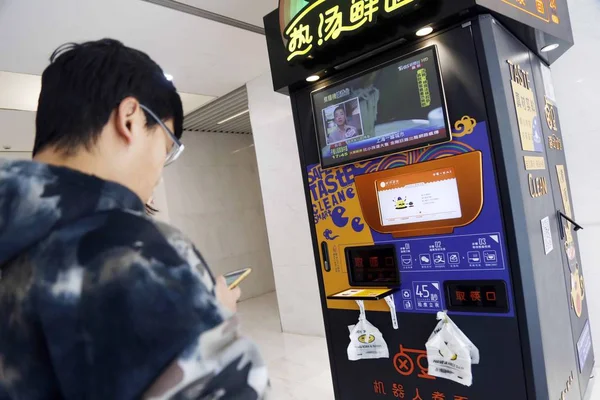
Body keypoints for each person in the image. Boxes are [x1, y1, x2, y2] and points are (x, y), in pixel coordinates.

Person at [0, 39, 269, 400]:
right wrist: (209, 316)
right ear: (130, 118)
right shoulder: (136, 254)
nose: (160, 171)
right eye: (167, 146)